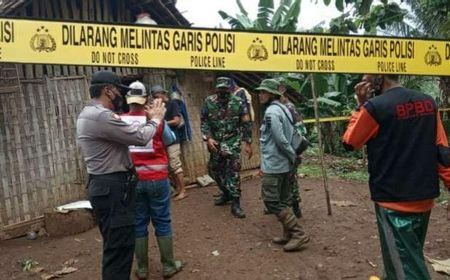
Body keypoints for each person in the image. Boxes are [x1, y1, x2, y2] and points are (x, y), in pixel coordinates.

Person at [343, 74, 450, 279]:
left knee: (409, 269)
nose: (363, 81)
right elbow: (443, 151)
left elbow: (350, 142)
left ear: (378, 77)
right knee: (406, 258)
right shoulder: (428, 102)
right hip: (424, 198)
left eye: (366, 76)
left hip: (392, 203)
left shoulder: (375, 107)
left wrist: (360, 106)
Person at [76, 71, 166, 280]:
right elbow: (140, 137)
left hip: (107, 186)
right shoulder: (101, 116)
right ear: (108, 90)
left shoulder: (90, 113)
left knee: (117, 247)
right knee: (119, 250)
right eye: (119, 91)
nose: (122, 97)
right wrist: (155, 120)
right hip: (112, 188)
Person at [121, 81, 182, 280]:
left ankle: (143, 269)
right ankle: (168, 266)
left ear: (128, 100)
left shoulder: (120, 121)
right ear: (146, 99)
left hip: (135, 180)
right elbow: (170, 139)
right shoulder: (156, 120)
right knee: (162, 220)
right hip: (158, 179)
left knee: (139, 223)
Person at [257, 78, 310, 252]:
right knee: (284, 199)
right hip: (284, 163)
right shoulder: (283, 108)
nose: (260, 94)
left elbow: (280, 139)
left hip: (275, 163)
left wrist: (292, 155)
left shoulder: (271, 112)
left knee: (271, 200)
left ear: (272, 94)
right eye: (260, 91)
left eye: (264, 92)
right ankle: (288, 234)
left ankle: (298, 233)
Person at [200, 77, 253, 218]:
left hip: (232, 141)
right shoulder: (209, 102)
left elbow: (246, 123)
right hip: (216, 142)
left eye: (225, 89)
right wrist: (208, 138)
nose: (223, 93)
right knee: (214, 169)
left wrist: (248, 142)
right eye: (220, 90)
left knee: (233, 172)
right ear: (216, 89)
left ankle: (236, 203)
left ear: (229, 89)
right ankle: (226, 193)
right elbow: (204, 121)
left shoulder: (238, 102)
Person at [152, 85, 189, 201]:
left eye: (157, 96)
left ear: (163, 94)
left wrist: (162, 123)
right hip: (163, 140)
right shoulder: (158, 106)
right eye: (154, 97)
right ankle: (178, 188)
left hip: (173, 139)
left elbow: (177, 121)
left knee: (175, 165)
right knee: (169, 166)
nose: (155, 99)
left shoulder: (172, 104)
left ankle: (183, 190)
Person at [278, 78, 307, 218]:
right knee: (282, 179)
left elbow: (301, 131)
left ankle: (295, 207)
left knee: (289, 179)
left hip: (290, 150)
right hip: (280, 150)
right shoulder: (276, 107)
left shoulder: (289, 108)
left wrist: (295, 151)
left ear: (282, 90)